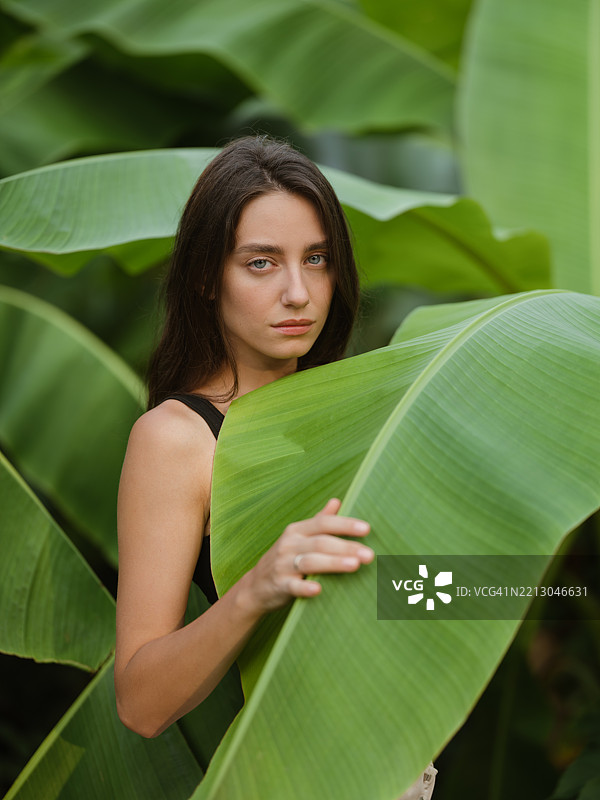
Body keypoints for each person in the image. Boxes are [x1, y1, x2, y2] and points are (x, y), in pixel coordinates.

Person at [113, 136, 436, 799]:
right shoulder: (177, 439)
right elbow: (140, 703)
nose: (298, 292)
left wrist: (554, 587)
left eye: (317, 259)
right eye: (261, 263)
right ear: (207, 277)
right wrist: (256, 588)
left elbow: (407, 596)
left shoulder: (364, 412)